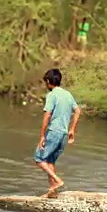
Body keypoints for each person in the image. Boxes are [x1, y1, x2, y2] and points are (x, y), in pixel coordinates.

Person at [34, 68, 81, 198]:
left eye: (46, 82)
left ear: (48, 81)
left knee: (38, 158)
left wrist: (42, 136)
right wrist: (72, 129)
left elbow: (47, 115)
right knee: (50, 162)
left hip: (54, 132)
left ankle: (57, 181)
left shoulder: (52, 95)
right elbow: (78, 111)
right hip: (64, 134)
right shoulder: (67, 94)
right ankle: (52, 191)